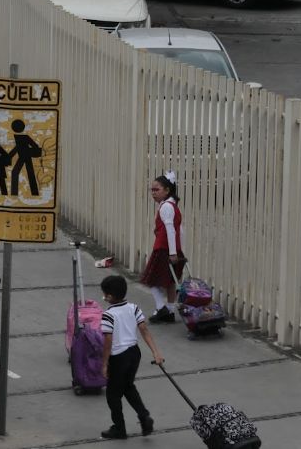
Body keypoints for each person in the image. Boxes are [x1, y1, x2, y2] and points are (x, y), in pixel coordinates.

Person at [99, 275, 162, 440]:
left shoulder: (108, 315)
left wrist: (105, 363)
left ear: (110, 296)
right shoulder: (133, 308)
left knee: (113, 395)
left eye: (104, 294)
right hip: (134, 353)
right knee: (127, 387)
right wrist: (156, 352)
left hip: (118, 357)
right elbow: (144, 330)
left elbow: (108, 340)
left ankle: (119, 429)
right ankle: (144, 416)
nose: (104, 297)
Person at [140, 171, 186, 324]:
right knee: (170, 282)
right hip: (172, 248)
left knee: (150, 279)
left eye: (156, 190)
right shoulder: (171, 205)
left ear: (167, 190)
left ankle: (162, 308)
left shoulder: (166, 206)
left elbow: (171, 229)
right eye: (152, 190)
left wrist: (173, 253)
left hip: (164, 249)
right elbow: (179, 229)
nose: (153, 193)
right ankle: (170, 311)